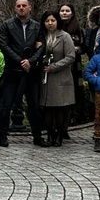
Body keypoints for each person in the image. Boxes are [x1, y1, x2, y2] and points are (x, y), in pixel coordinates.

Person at [0, 0, 47, 148]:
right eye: (18, 6)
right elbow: (4, 45)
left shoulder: (37, 27)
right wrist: (21, 61)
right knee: (6, 104)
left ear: (30, 8)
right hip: (12, 71)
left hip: (31, 72)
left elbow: (42, 46)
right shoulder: (7, 25)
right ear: (15, 8)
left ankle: (37, 136)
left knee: (33, 105)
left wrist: (30, 62)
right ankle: (3, 136)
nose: (21, 8)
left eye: (24, 6)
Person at [38, 11, 76, 146]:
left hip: (61, 77)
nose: (50, 23)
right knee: (47, 108)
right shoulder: (41, 37)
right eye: (47, 21)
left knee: (59, 109)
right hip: (45, 78)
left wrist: (54, 67)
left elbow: (71, 56)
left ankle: (59, 135)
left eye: (52, 20)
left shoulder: (65, 37)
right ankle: (49, 135)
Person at [58, 3, 86, 122]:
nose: (64, 13)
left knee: (74, 92)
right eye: (62, 11)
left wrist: (77, 49)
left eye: (67, 11)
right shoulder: (56, 28)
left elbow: (84, 46)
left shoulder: (78, 30)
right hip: (59, 63)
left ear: (72, 13)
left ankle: (72, 117)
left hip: (74, 65)